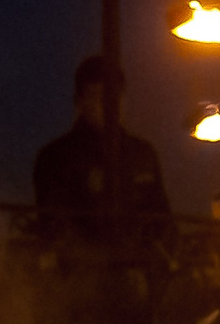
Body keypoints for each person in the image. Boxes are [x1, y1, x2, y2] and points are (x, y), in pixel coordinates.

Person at [31, 55, 172, 243]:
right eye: (99, 97)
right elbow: (55, 228)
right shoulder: (56, 158)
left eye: (116, 96)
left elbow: (164, 221)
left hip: (142, 264)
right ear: (79, 102)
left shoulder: (143, 154)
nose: (110, 106)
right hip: (82, 267)